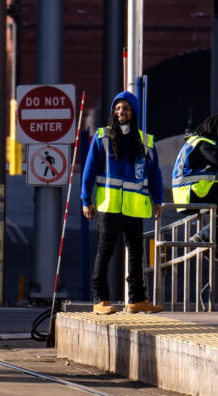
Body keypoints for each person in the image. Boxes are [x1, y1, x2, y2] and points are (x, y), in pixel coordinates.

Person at [81, 91, 164, 315]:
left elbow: (154, 173)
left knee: (136, 252)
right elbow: (89, 171)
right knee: (105, 250)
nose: (120, 112)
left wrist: (159, 200)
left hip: (134, 207)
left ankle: (136, 299)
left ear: (134, 112)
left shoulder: (146, 141)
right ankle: (100, 300)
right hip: (110, 206)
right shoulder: (102, 137)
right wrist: (85, 200)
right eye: (117, 108)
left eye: (125, 108)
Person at [172, 113, 218, 248]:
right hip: (190, 192)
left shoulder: (199, 142)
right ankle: (203, 238)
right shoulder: (202, 144)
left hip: (192, 191)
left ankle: (206, 241)